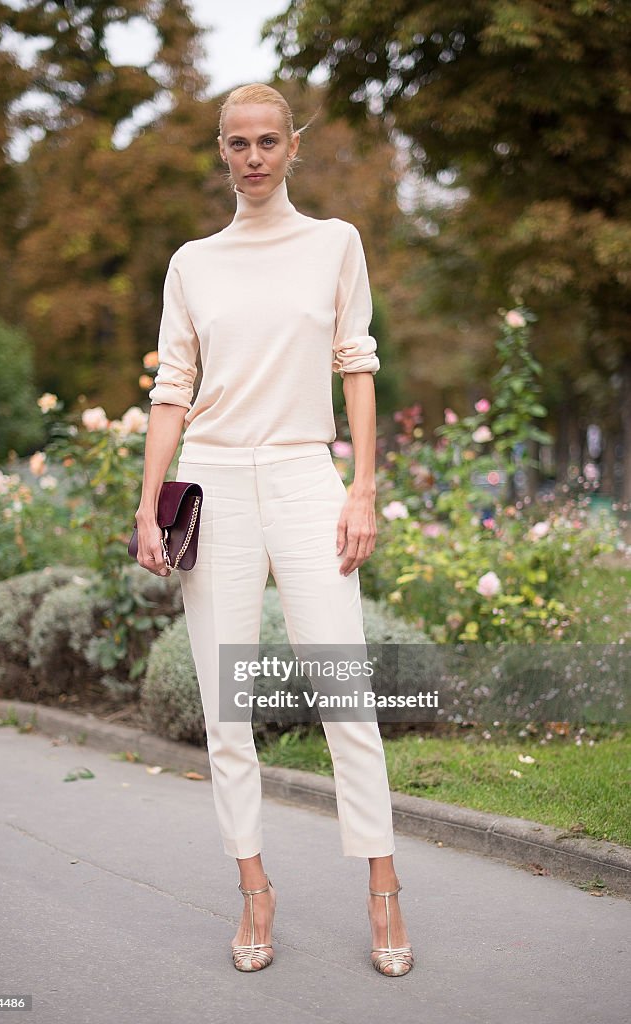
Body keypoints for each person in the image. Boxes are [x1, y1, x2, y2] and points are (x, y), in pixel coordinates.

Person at [135, 82, 414, 978]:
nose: (253, 158)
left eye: (268, 141)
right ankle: (254, 887)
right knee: (229, 707)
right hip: (212, 483)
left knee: (346, 694)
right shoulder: (191, 263)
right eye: (237, 144)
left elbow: (356, 368)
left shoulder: (335, 244)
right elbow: (172, 389)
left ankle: (383, 888)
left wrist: (361, 489)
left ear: (294, 146)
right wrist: (150, 500)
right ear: (221, 152)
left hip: (303, 474)